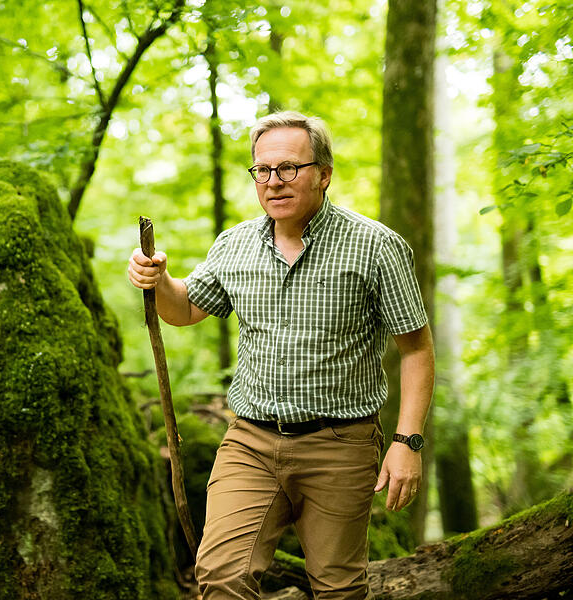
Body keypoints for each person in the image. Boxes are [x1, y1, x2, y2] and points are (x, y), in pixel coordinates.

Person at [127, 111, 434, 600]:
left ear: (324, 174)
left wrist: (407, 443)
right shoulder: (235, 245)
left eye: (289, 168)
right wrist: (159, 279)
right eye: (263, 171)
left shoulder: (375, 247)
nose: (274, 182)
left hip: (341, 444)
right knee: (222, 577)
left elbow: (416, 349)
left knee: (338, 587)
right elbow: (183, 309)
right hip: (251, 443)